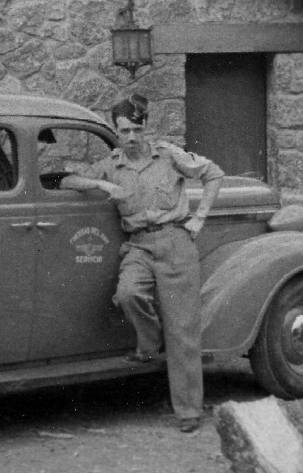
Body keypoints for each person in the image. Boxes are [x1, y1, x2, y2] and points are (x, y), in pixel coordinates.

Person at [60, 94, 224, 433]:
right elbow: (67, 180)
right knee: (128, 293)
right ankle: (148, 344)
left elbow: (213, 174)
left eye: (136, 129)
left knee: (183, 331)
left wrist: (199, 218)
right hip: (138, 246)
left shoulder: (169, 156)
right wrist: (101, 183)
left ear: (146, 126)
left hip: (176, 242)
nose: (131, 137)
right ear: (116, 132)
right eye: (124, 131)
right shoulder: (111, 163)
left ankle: (189, 410)